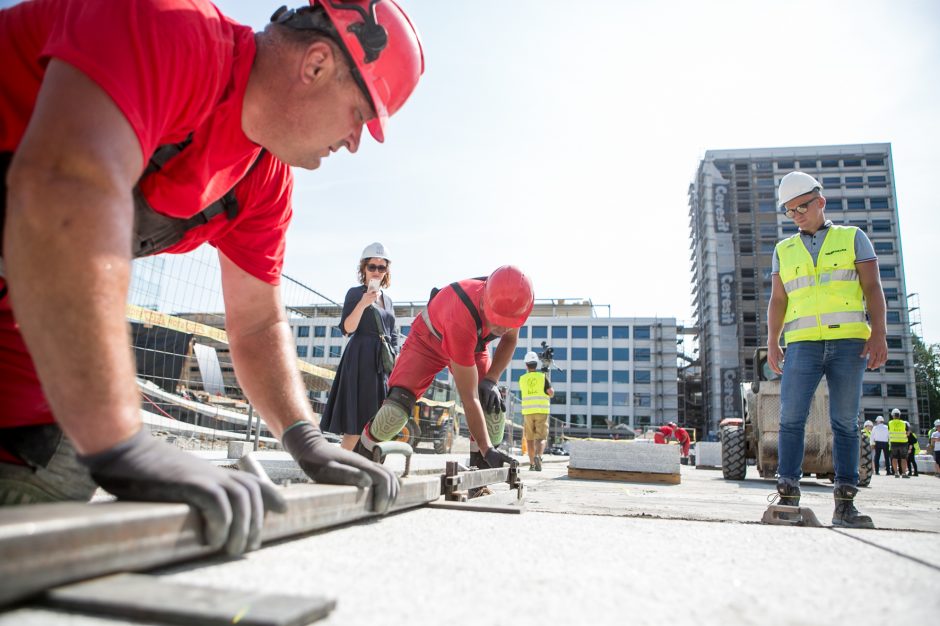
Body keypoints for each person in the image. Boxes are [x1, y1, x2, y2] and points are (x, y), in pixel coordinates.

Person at [0, 0, 423, 555]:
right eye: (359, 115)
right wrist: (120, 438)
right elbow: (62, 184)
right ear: (316, 64)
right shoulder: (164, 26)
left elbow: (256, 325)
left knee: (61, 478)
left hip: (22, 360)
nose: (354, 141)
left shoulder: (264, 179)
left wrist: (305, 438)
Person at [767, 171, 886, 528]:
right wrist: (773, 340)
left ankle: (845, 503)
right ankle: (788, 495)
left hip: (849, 342)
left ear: (821, 201)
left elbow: (873, 287)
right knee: (790, 418)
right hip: (802, 343)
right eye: (790, 211)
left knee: (846, 422)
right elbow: (778, 299)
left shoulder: (853, 238)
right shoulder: (783, 250)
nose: (797, 214)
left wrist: (879, 333)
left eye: (802, 206)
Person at [355, 266, 534, 474]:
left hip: (473, 345)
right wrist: (487, 448)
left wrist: (491, 380)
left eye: (508, 323)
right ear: (486, 302)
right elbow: (469, 397)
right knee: (394, 412)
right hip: (427, 342)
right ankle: (361, 462)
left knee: (491, 407)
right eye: (498, 321)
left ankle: (479, 479)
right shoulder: (461, 316)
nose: (503, 328)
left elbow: (510, 339)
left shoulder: (515, 302)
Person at [321, 243, 397, 451]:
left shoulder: (388, 301)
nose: (376, 272)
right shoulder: (355, 294)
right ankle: (339, 467)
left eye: (381, 268)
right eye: (372, 266)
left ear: (386, 271)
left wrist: (395, 364)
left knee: (377, 422)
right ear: (364, 268)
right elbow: (347, 328)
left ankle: (368, 467)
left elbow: (392, 335)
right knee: (355, 423)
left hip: (381, 364)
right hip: (360, 359)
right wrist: (363, 303)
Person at [519, 351, 554, 471]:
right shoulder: (543, 377)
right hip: (541, 411)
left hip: (528, 412)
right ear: (536, 364)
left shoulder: (522, 379)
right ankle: (538, 457)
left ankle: (532, 464)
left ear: (526, 364)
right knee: (541, 438)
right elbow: (550, 393)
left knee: (529, 439)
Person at [887, 409, 910, 479]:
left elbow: (888, 432)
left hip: (894, 442)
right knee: (903, 458)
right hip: (903, 442)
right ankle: (903, 473)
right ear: (899, 415)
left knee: (894, 458)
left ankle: (896, 473)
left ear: (893, 416)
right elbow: (908, 433)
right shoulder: (904, 423)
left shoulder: (890, 423)